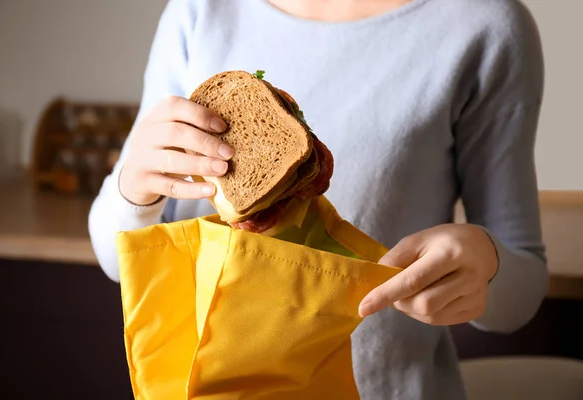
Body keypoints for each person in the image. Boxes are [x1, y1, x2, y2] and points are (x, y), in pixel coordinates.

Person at [88, 0, 548, 398]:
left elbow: (521, 291)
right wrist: (134, 188)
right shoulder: (201, 12)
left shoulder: (486, 24)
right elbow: (119, 259)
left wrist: (484, 262)